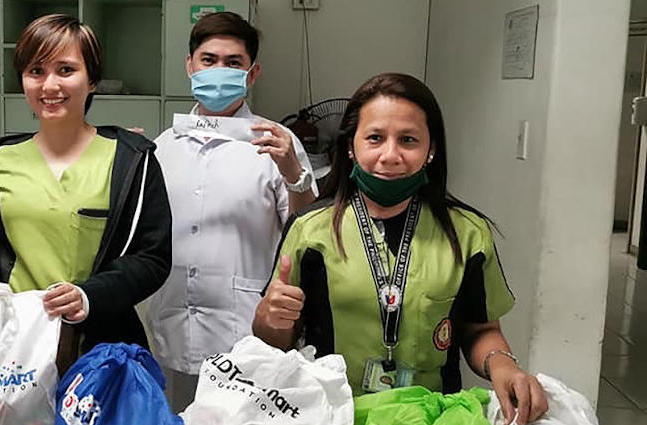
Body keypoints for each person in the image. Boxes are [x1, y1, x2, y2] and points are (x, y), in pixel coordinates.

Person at [252, 73, 547, 423]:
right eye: (375, 138)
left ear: (431, 149)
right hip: (336, 413)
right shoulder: (310, 230)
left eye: (408, 140)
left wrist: (504, 366)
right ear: (351, 147)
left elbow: (481, 329)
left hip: (432, 414)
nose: (390, 155)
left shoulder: (467, 235)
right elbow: (277, 341)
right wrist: (269, 320)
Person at [0, 14, 172, 357]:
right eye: (36, 71)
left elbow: (152, 257)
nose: (49, 85)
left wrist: (89, 296)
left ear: (92, 80)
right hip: (12, 343)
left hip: (98, 345)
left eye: (65, 70)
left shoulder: (131, 160)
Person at [147, 11, 317, 411]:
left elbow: (309, 230)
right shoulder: (163, 146)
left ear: (252, 74)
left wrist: (292, 172)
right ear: (190, 66)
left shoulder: (277, 143)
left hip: (244, 332)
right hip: (170, 324)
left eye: (233, 62)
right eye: (208, 60)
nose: (219, 71)